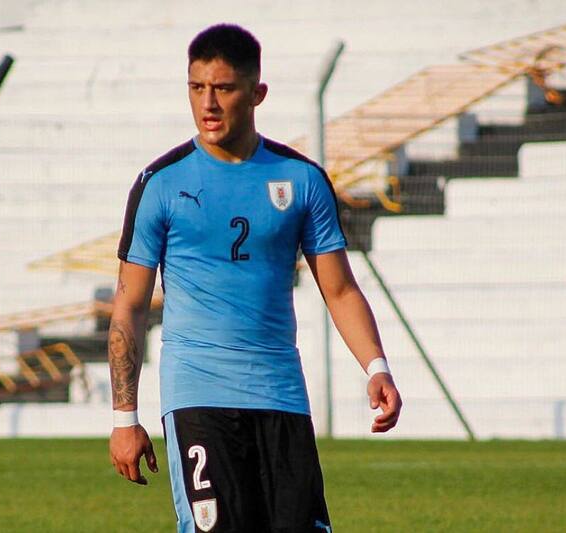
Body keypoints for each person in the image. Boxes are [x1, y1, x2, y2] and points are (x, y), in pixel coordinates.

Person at [108, 23, 402, 533]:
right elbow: (130, 305)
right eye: (198, 88)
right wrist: (124, 418)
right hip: (196, 394)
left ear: (256, 93)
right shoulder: (161, 183)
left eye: (223, 88)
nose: (209, 103)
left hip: (280, 393)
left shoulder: (301, 179)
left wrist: (376, 366)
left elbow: (339, 289)